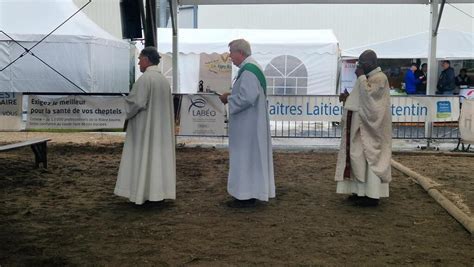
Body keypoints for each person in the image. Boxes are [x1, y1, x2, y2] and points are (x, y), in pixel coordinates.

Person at [114, 47, 176, 205]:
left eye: (140, 59)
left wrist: (124, 102)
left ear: (147, 60)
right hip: (159, 130)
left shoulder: (145, 79)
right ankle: (157, 192)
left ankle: (144, 192)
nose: (139, 62)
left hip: (145, 130)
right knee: (157, 159)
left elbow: (137, 102)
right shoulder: (163, 80)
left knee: (144, 157)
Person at [219, 39, 275, 208]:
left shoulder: (249, 71)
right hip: (250, 124)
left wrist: (228, 99)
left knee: (245, 158)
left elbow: (248, 97)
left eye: (231, 53)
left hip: (248, 126)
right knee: (249, 158)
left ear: (240, 53)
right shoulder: (252, 68)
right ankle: (247, 193)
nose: (230, 56)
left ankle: (245, 195)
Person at [335, 50, 392, 207]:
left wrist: (360, 77)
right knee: (356, 157)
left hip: (370, 130)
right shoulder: (366, 78)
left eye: (362, 63)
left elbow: (371, 100)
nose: (359, 66)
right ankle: (359, 191)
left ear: (372, 63)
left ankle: (372, 195)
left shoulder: (379, 78)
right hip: (358, 127)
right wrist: (348, 98)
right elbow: (361, 99)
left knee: (370, 158)